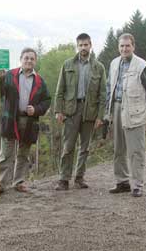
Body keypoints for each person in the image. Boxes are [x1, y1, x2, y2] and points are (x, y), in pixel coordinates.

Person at [105, 33, 146, 197]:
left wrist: (142, 108)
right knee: (118, 149)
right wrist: (109, 111)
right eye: (121, 46)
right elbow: (109, 87)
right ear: (118, 47)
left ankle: (137, 185)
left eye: (127, 45)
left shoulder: (142, 65)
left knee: (136, 151)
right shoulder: (114, 64)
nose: (124, 48)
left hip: (134, 111)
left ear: (133, 46)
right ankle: (122, 182)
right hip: (117, 108)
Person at [54, 33, 106, 190]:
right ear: (77, 46)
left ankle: (79, 178)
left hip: (89, 111)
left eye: (86, 45)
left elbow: (103, 94)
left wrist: (100, 116)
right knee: (68, 146)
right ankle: (63, 179)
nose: (83, 48)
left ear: (91, 45)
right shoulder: (67, 64)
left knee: (85, 147)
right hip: (71, 110)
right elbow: (60, 90)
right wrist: (58, 110)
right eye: (81, 45)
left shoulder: (99, 67)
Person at [0, 47, 51, 193]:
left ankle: (18, 182)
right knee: (6, 154)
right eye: (26, 58)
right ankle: (1, 184)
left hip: (29, 122)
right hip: (10, 120)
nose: (29, 61)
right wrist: (0, 79)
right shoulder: (9, 75)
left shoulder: (40, 81)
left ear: (35, 61)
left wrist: (36, 109)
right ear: (21, 59)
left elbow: (47, 101)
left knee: (23, 153)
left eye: (32, 58)